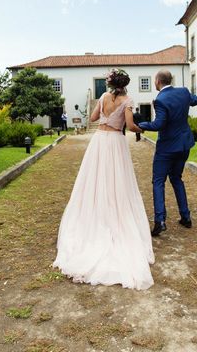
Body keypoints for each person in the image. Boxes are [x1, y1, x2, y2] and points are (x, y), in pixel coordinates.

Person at [53, 68, 154, 290]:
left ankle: (95, 217)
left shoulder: (103, 97)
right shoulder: (128, 100)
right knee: (117, 183)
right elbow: (129, 125)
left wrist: (104, 112)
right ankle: (114, 215)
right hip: (116, 144)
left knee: (94, 179)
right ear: (125, 84)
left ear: (110, 84)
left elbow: (93, 118)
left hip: (99, 140)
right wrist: (143, 128)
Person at [137, 70, 197, 237]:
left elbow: (159, 124)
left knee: (158, 181)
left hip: (167, 148)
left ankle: (160, 221)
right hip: (184, 145)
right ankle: (186, 217)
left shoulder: (160, 100)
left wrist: (141, 125)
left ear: (158, 81)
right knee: (176, 178)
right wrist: (185, 102)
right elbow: (196, 100)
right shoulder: (184, 92)